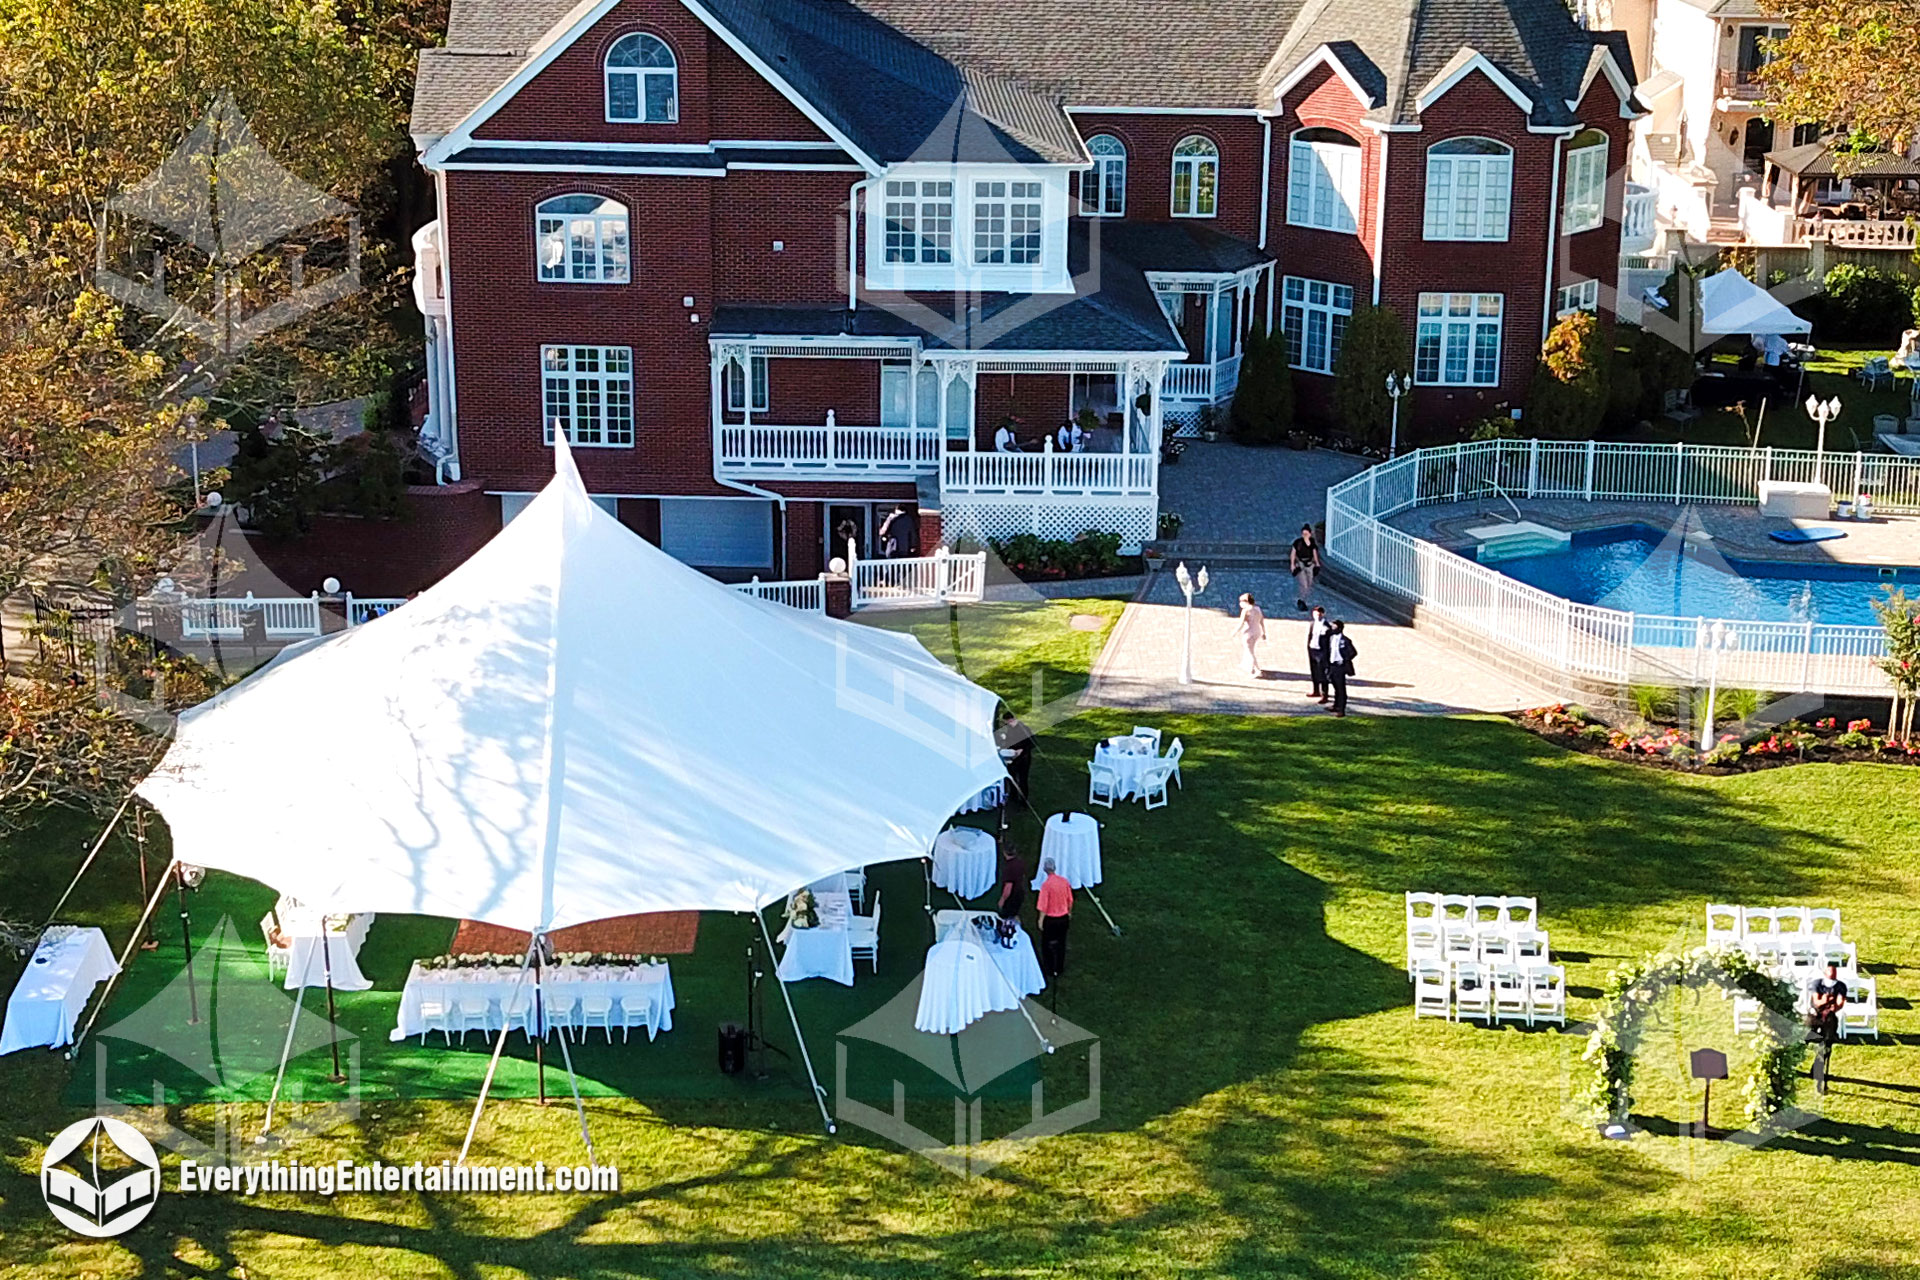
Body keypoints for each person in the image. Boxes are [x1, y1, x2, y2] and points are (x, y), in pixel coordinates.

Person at [1808, 962, 1848, 1095]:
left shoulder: (1841, 986)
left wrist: (1833, 1006)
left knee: (1826, 1045)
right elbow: (1817, 1002)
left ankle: (1819, 1073)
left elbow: (1839, 1003)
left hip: (1829, 1019)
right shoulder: (1817, 984)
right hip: (1814, 1017)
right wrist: (1825, 1000)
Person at [1035, 856, 1073, 981]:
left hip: (1051, 920)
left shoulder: (1046, 886)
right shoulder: (1064, 881)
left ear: (1045, 870)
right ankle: (1059, 967)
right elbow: (1070, 899)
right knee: (1061, 943)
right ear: (1054, 868)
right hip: (1063, 918)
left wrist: (1040, 920)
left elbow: (1043, 906)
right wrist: (1069, 912)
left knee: (1047, 945)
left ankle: (1049, 969)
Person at [994, 709, 1034, 804]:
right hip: (1012, 757)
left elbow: (1032, 743)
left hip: (1023, 758)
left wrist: (1022, 750)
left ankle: (1024, 800)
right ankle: (1013, 796)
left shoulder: (1024, 729)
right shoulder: (1009, 730)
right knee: (1012, 777)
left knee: (1023, 779)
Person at [995, 835, 1028, 946]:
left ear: (1005, 853)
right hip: (1020, 892)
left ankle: (1007, 934)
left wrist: (1002, 900)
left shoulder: (1009, 868)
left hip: (1012, 896)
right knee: (1014, 912)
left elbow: (1008, 887)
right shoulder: (1020, 862)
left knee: (1006, 916)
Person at [1290, 524, 1323, 611]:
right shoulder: (1298, 542)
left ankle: (1304, 599)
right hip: (1301, 564)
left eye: (1306, 533)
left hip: (1310, 565)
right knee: (1304, 584)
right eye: (1303, 533)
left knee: (1309, 584)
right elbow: (1293, 554)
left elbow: (1314, 553)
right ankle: (1301, 600)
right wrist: (1292, 565)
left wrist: (1317, 564)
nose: (1304, 535)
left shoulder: (1312, 543)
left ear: (1310, 534)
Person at [1327, 619, 1357, 716]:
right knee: (1335, 686)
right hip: (1332, 665)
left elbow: (1353, 652)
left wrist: (1344, 660)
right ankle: (1336, 705)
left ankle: (1341, 709)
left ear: (1340, 629)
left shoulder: (1345, 640)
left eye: (1334, 627)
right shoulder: (1331, 638)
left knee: (1341, 688)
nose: (1332, 629)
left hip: (1340, 666)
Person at [1236, 592, 1267, 677]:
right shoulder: (1258, 609)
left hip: (1248, 633)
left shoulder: (1245, 611)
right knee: (1251, 649)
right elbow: (1261, 621)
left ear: (1246, 602)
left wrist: (1234, 632)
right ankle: (1246, 664)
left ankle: (1257, 670)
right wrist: (1264, 632)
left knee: (1250, 652)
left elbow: (1241, 624)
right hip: (1257, 632)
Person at [1305, 605, 1331, 703]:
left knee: (1323, 674)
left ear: (1323, 614)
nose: (1317, 616)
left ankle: (1325, 695)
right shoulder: (1312, 624)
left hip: (1321, 653)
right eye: (1315, 614)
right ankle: (1316, 690)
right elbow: (1310, 636)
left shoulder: (1327, 627)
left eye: (1319, 614)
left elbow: (1329, 642)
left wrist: (1326, 654)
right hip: (1312, 650)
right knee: (1314, 671)